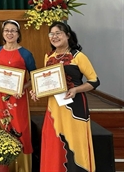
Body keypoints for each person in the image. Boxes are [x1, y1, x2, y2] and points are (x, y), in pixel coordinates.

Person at [32, 22, 99, 172]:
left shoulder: (78, 56)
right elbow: (47, 83)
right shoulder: (48, 56)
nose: (54, 37)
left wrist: (76, 90)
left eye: (58, 33)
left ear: (68, 35)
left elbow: (94, 81)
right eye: (51, 34)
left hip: (74, 107)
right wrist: (37, 91)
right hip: (54, 107)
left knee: (76, 144)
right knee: (54, 143)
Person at [0, 20, 36, 172]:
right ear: (2, 33)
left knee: (20, 128)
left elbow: (34, 77)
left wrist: (22, 88)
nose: (9, 33)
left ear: (18, 34)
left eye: (13, 31)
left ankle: (22, 167)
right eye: (6, 30)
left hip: (18, 97)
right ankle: (5, 166)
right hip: (1, 96)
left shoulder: (26, 54)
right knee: (4, 126)